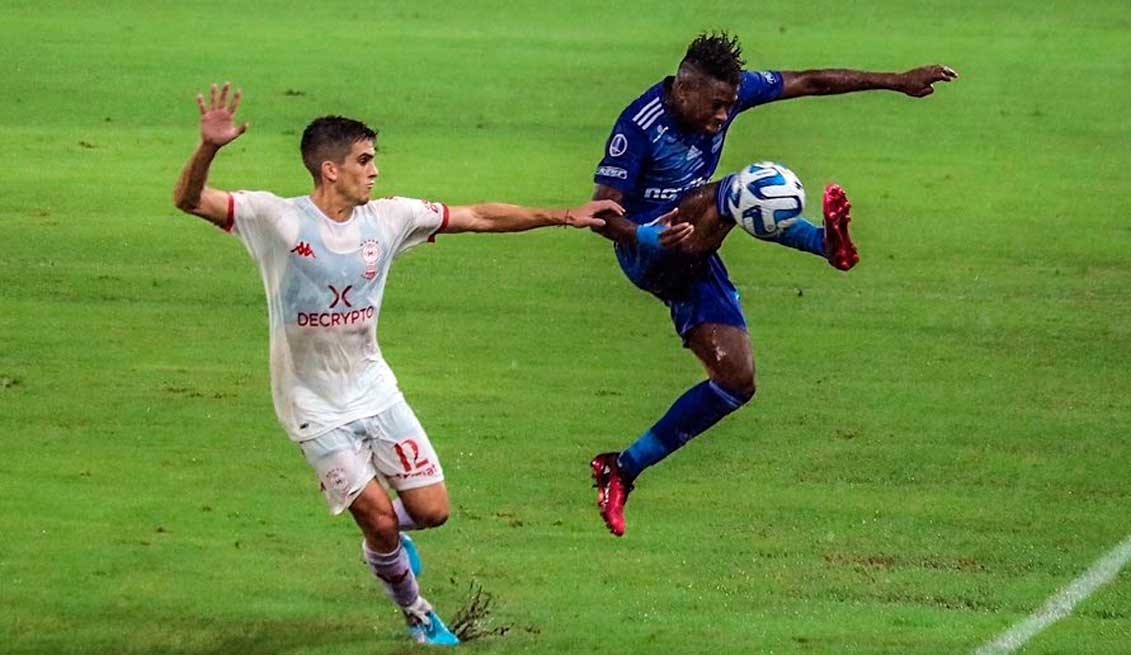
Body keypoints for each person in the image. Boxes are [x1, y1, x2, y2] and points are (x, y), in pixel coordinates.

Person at [172, 83, 615, 645]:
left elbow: (477, 216)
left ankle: (380, 544)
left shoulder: (389, 219)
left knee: (431, 512)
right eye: (364, 160)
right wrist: (208, 148)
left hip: (375, 389)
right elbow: (190, 200)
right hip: (312, 406)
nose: (375, 171)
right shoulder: (275, 219)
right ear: (330, 170)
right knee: (380, 517)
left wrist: (563, 216)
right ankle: (416, 610)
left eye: (374, 159)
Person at [587, 32, 957, 536]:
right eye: (717, 106)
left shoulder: (725, 96)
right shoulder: (639, 126)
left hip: (696, 253)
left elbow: (810, 81)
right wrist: (648, 236)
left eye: (731, 106)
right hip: (648, 251)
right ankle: (822, 244)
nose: (724, 116)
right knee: (746, 189)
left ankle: (621, 469)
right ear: (686, 87)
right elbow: (602, 215)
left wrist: (897, 81)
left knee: (737, 381)